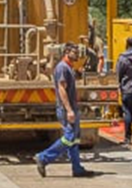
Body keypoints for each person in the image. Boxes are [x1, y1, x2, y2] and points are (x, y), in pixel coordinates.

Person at [34, 43, 94, 178]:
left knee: (75, 140)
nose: (77, 54)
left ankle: (77, 168)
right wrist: (69, 110)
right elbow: (62, 89)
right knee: (69, 138)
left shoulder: (69, 68)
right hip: (67, 109)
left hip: (72, 108)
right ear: (66, 52)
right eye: (74, 51)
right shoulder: (62, 68)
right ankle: (43, 157)